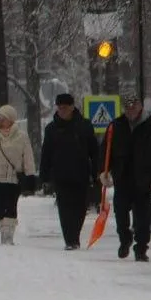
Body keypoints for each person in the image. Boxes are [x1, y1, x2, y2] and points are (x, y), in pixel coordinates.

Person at [99, 93, 151, 262]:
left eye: (134, 107)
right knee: (120, 213)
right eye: (128, 108)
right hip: (122, 178)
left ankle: (141, 248)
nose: (131, 111)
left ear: (140, 107)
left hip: (143, 180)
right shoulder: (116, 126)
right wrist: (103, 171)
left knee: (142, 217)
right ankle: (125, 239)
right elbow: (105, 151)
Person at [39, 93, 99, 250]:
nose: (62, 110)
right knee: (64, 208)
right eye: (59, 108)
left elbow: (94, 151)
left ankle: (74, 235)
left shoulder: (84, 126)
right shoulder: (52, 129)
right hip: (61, 175)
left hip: (81, 174)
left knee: (80, 208)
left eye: (65, 107)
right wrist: (44, 176)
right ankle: (70, 240)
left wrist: (97, 173)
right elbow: (46, 154)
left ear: (72, 107)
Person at [0, 104, 38, 245]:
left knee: (10, 207)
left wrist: (30, 175)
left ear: (11, 119)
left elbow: (28, 157)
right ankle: (3, 229)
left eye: (3, 118)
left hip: (13, 178)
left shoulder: (22, 136)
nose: (0, 121)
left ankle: (8, 235)